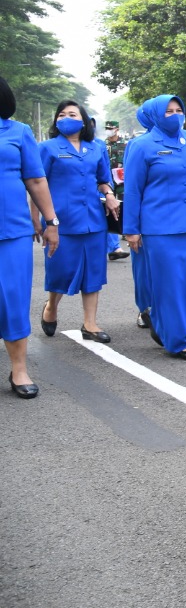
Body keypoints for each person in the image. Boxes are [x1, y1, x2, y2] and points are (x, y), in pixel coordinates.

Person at [122, 95, 186, 361]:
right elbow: (132, 190)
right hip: (159, 228)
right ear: (155, 115)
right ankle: (182, 341)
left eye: (179, 110)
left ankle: (161, 318)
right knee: (174, 283)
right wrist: (131, 229)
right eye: (168, 111)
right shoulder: (142, 145)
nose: (175, 115)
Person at [35, 101, 118, 344]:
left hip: (93, 219)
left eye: (72, 114)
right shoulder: (47, 148)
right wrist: (37, 220)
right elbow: (37, 185)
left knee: (94, 272)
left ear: (84, 121)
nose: (66, 118)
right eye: (61, 114)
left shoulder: (97, 147)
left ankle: (90, 324)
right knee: (60, 270)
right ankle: (51, 306)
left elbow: (104, 179)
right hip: (60, 221)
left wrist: (110, 195)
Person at [0, 77, 59, 399]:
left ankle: (19, 368)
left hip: (10, 231)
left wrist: (50, 222)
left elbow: (36, 180)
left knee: (12, 298)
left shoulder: (17, 132)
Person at [103, 120, 129, 260]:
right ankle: (114, 247)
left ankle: (126, 230)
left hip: (123, 180)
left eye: (110, 128)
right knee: (110, 210)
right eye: (106, 128)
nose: (108, 130)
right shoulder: (102, 145)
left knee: (125, 206)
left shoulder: (125, 143)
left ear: (117, 129)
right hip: (107, 182)